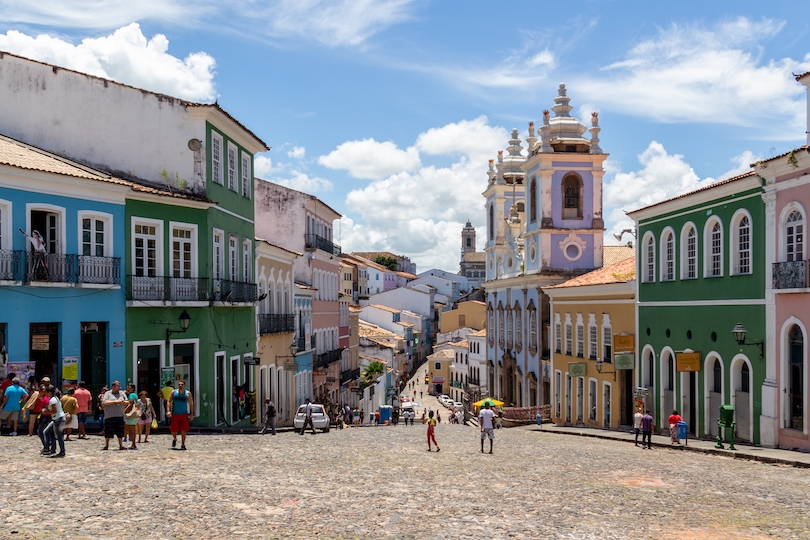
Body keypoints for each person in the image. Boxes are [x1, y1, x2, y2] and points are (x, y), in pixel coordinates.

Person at [101, 381, 128, 451]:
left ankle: (121, 445)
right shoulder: (108, 394)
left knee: (120, 432)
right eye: (117, 386)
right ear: (113, 386)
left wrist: (121, 402)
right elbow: (104, 403)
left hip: (119, 415)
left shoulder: (122, 393)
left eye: (119, 386)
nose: (119, 388)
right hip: (109, 416)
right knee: (108, 432)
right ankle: (106, 445)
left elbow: (127, 402)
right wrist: (115, 402)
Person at [168, 380, 194, 450]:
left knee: (184, 429)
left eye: (182, 384)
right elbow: (169, 401)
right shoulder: (173, 392)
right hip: (175, 414)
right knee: (173, 429)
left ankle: (183, 443)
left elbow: (191, 403)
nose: (180, 386)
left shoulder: (187, 393)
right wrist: (168, 411)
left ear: (184, 385)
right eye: (179, 384)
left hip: (184, 414)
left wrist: (192, 414)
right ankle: (175, 438)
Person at [42, 385, 66, 458]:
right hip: (57, 419)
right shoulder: (56, 398)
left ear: (49, 392)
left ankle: (62, 452)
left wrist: (45, 412)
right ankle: (49, 448)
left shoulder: (52, 400)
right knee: (46, 432)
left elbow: (54, 411)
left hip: (58, 419)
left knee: (59, 436)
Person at [123, 384, 140, 450]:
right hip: (135, 415)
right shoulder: (135, 395)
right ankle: (133, 444)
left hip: (131, 414)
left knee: (130, 431)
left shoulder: (131, 395)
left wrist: (124, 411)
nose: (127, 389)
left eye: (129, 388)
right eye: (127, 388)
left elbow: (130, 404)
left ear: (133, 389)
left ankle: (134, 444)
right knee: (133, 430)